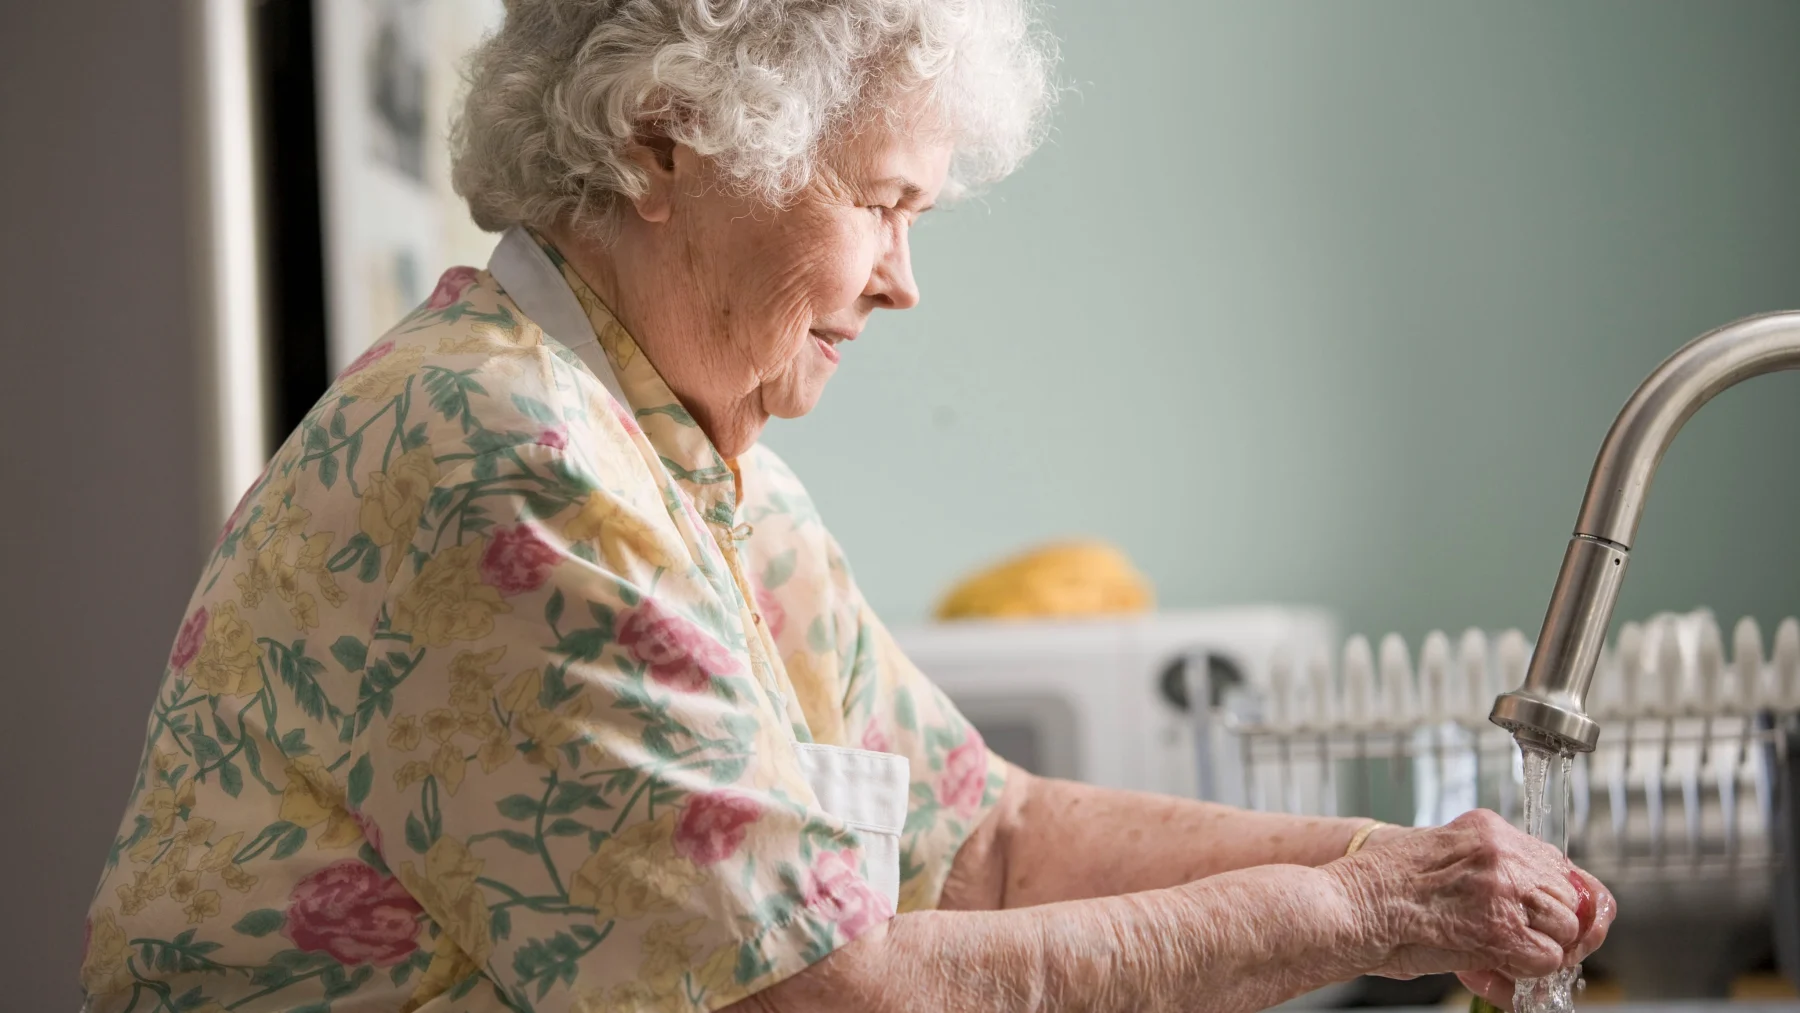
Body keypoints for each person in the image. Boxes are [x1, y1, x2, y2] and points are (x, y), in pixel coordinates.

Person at [80, 1, 1612, 1010]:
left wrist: (1402, 871)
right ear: (662, 144)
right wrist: (1363, 918)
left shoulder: (688, 460)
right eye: (880, 202)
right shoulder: (506, 457)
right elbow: (821, 997)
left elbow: (986, 838)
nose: (904, 277)